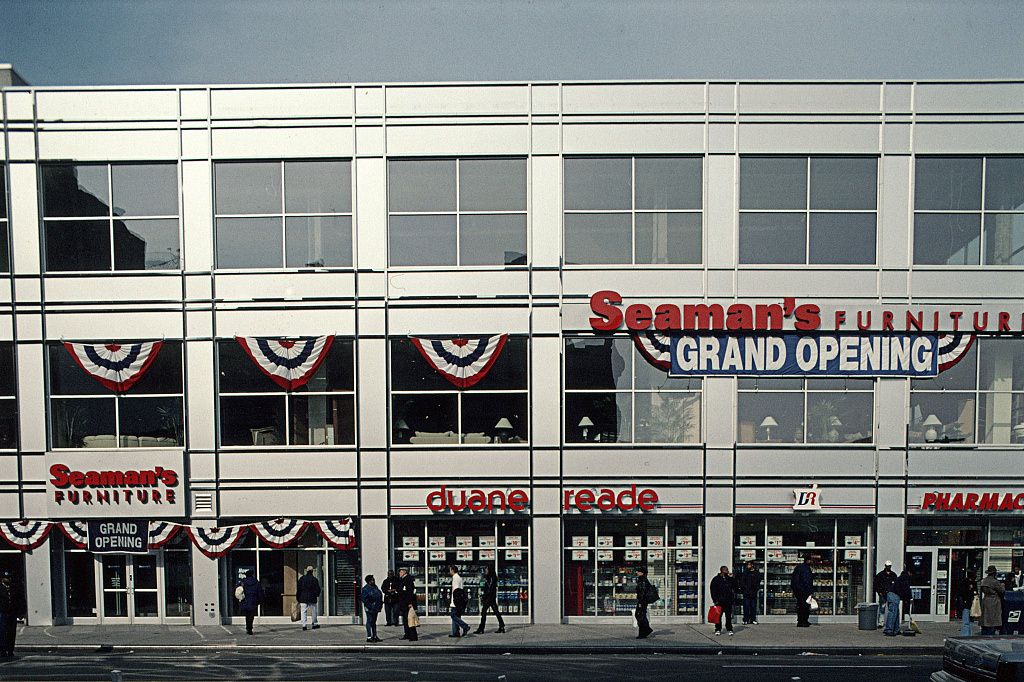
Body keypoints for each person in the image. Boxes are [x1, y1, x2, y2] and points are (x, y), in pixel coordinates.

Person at [475, 565, 505, 634]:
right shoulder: (492, 578)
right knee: (496, 612)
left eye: (487, 569)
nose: (486, 571)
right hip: (492, 597)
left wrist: (484, 596)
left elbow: (489, 589)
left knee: (484, 612)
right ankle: (502, 626)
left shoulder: (491, 578)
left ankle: (481, 628)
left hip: (489, 598)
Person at [884, 566, 913, 636]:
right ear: (909, 573)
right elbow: (906, 588)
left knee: (896, 613)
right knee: (893, 612)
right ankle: (888, 629)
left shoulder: (902, 577)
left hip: (895, 595)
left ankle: (896, 629)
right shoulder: (905, 577)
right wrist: (910, 598)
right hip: (894, 595)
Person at [0, 572, 22, 658]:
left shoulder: (14, 588)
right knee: (2, 632)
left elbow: (19, 600)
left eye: (9, 577)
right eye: (6, 578)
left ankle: (10, 649)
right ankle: (2, 650)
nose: (8, 579)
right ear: (2, 579)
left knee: (11, 632)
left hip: (12, 613)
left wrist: (20, 612)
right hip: (2, 612)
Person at [979, 565, 1006, 635]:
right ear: (994, 573)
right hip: (994, 601)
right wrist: (1002, 585)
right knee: (992, 621)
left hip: (985, 600)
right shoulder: (994, 582)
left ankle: (984, 633)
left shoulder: (983, 581)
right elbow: (1002, 590)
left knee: (985, 620)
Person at [710, 565, 736, 635]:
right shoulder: (716, 579)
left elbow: (734, 586)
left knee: (728, 616)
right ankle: (718, 629)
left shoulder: (729, 579)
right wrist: (715, 600)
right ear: (723, 571)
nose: (728, 571)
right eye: (726, 570)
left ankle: (729, 629)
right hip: (720, 601)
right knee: (718, 616)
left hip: (728, 601)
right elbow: (713, 590)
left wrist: (732, 578)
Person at [238, 569, 264, 636]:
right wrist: (261, 600)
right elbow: (260, 592)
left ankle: (248, 627)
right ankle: (250, 628)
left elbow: (238, 590)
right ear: (252, 575)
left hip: (245, 600)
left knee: (247, 615)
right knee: (251, 615)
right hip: (253, 600)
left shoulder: (243, 582)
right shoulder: (256, 582)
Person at [791, 555, 814, 628]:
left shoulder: (798, 567)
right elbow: (806, 580)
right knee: (805, 606)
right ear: (808, 560)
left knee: (800, 605)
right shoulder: (806, 569)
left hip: (797, 590)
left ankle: (801, 620)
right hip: (804, 590)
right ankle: (803, 621)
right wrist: (810, 590)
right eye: (811, 560)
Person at [296, 565, 321, 631]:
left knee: (303, 611)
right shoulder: (314, 579)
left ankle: (304, 625)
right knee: (314, 611)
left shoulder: (302, 578)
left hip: (303, 597)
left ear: (306, 571)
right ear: (312, 571)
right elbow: (317, 589)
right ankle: (314, 624)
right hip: (312, 597)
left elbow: (298, 589)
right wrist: (316, 595)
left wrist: (298, 597)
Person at [448, 566, 471, 638]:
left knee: (453, 615)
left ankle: (465, 626)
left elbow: (455, 590)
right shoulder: (459, 578)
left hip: (456, 600)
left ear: (452, 570)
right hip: (459, 600)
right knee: (457, 615)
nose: (449, 571)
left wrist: (453, 599)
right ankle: (455, 632)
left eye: (450, 570)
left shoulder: (455, 578)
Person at [361, 574, 383, 643]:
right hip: (370, 608)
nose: (374, 581)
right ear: (369, 581)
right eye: (372, 580)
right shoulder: (366, 589)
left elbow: (379, 595)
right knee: (369, 621)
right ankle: (369, 636)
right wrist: (370, 605)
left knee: (373, 622)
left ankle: (374, 635)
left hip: (375, 607)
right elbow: (364, 599)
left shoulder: (375, 587)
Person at [398, 567, 418, 641]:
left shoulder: (408, 579)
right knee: (405, 620)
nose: (399, 573)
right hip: (404, 603)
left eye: (400, 572)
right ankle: (407, 634)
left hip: (407, 603)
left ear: (404, 572)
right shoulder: (403, 580)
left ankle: (413, 635)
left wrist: (410, 602)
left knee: (410, 619)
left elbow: (410, 592)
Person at [875, 560, 897, 627]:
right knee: (882, 608)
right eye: (887, 566)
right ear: (885, 566)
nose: (888, 567)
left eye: (889, 566)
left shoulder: (893, 575)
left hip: (890, 594)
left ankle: (890, 623)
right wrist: (879, 592)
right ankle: (881, 622)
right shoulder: (880, 575)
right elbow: (876, 584)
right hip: (883, 594)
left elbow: (895, 584)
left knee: (891, 609)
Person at [634, 566, 654, 639]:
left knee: (640, 615)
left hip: (642, 601)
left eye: (638, 571)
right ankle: (644, 631)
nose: (637, 572)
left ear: (642, 573)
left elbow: (642, 592)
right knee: (641, 615)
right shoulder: (642, 580)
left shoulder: (643, 580)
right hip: (642, 600)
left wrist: (640, 602)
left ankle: (645, 631)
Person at [739, 560, 760, 625]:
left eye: (749, 565)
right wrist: (745, 589)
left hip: (753, 593)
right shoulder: (746, 573)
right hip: (746, 593)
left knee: (753, 607)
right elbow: (742, 581)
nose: (748, 566)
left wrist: (756, 589)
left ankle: (753, 619)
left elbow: (758, 582)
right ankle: (745, 619)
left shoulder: (756, 573)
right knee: (746, 607)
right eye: (747, 565)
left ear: (752, 565)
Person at [960, 570, 978, 637]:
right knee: (966, 622)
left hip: (972, 604)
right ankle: (964, 635)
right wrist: (969, 589)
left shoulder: (974, 583)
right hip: (966, 604)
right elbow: (961, 593)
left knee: (971, 622)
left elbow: (976, 592)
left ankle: (969, 635)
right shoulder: (964, 583)